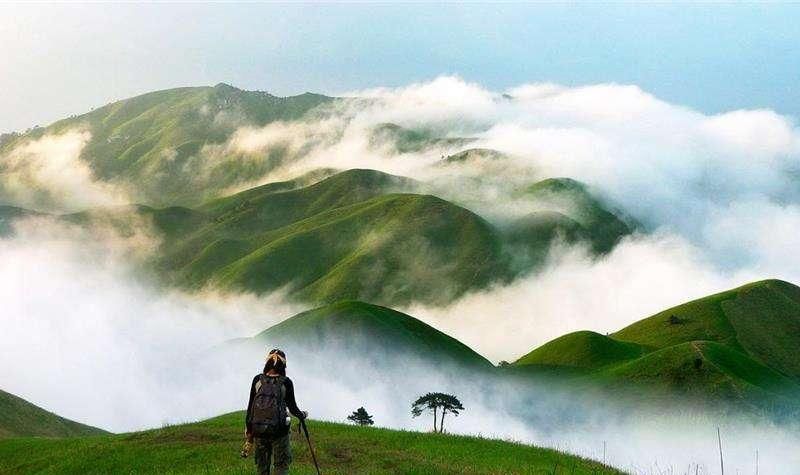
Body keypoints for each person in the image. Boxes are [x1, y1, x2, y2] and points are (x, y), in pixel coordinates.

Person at [245, 348, 307, 475]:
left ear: (267, 363)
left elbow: (251, 407)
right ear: (283, 365)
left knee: (262, 468)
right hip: (280, 431)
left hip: (259, 431)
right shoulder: (286, 382)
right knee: (281, 466)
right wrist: (302, 415)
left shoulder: (257, 380)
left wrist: (249, 430)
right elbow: (293, 408)